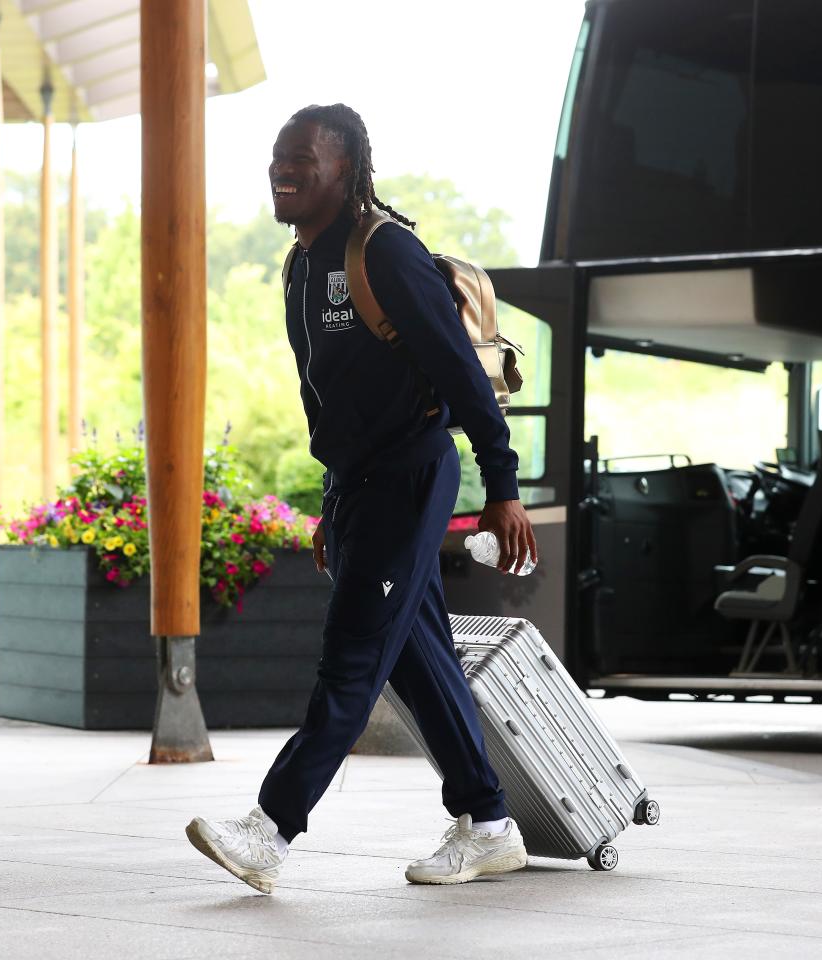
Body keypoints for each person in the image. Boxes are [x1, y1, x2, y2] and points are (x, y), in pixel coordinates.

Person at [186, 103, 537, 895]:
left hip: (410, 473)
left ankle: (271, 830)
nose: (284, 169)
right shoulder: (301, 267)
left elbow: (458, 375)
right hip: (359, 487)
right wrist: (331, 498)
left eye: (303, 158)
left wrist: (502, 489)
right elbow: (328, 398)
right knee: (418, 659)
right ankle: (488, 823)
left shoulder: (386, 252)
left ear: (344, 171)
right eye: (278, 156)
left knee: (352, 656)